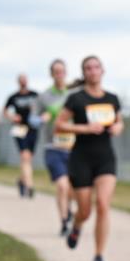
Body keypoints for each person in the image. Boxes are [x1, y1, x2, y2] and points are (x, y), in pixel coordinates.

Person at [54, 55, 123, 261]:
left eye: (96, 67)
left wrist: (118, 128)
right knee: (85, 211)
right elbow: (59, 125)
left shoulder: (112, 98)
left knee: (103, 204)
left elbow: (120, 121)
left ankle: (99, 255)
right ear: (84, 73)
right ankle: (76, 225)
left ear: (103, 71)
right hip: (81, 158)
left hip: (105, 158)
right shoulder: (76, 99)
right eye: (88, 68)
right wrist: (85, 128)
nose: (93, 71)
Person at [37, 59, 76, 235]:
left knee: (72, 188)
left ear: (66, 73)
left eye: (62, 71)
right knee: (62, 185)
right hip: (53, 146)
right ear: (51, 74)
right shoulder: (44, 97)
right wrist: (41, 118)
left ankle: (68, 210)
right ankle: (64, 221)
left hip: (74, 146)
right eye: (56, 72)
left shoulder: (74, 94)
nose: (59, 75)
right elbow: (33, 119)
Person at [3, 74, 40, 198]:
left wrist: (41, 117)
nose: (23, 82)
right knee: (24, 156)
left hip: (32, 128)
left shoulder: (35, 95)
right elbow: (5, 111)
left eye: (25, 79)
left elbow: (43, 108)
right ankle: (29, 186)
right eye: (21, 80)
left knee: (29, 158)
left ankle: (21, 180)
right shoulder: (13, 97)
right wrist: (12, 117)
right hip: (19, 128)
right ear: (18, 82)